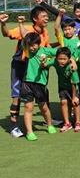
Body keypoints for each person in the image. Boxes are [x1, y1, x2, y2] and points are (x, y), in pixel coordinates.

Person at [1, 8, 53, 137]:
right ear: (35, 19)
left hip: (36, 67)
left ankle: (49, 122)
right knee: (17, 95)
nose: (46, 18)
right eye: (44, 16)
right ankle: (14, 127)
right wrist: (3, 24)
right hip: (20, 66)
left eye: (47, 16)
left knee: (43, 91)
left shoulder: (45, 33)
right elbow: (7, 34)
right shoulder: (25, 29)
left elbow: (46, 48)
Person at [19, 32, 59, 140]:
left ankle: (49, 125)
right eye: (29, 45)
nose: (31, 48)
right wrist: (21, 23)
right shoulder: (27, 52)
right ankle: (29, 132)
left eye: (33, 45)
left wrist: (50, 61)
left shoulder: (46, 51)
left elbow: (61, 53)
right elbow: (23, 37)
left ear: (39, 43)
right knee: (29, 107)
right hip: (27, 82)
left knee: (43, 106)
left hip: (40, 84)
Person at [46, 47, 80, 133]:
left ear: (69, 59)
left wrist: (74, 97)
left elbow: (74, 83)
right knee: (63, 102)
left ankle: (78, 122)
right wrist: (43, 62)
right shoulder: (55, 62)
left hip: (73, 87)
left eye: (64, 59)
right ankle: (67, 123)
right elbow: (46, 64)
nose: (62, 61)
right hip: (62, 86)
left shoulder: (71, 67)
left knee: (75, 103)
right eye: (60, 59)